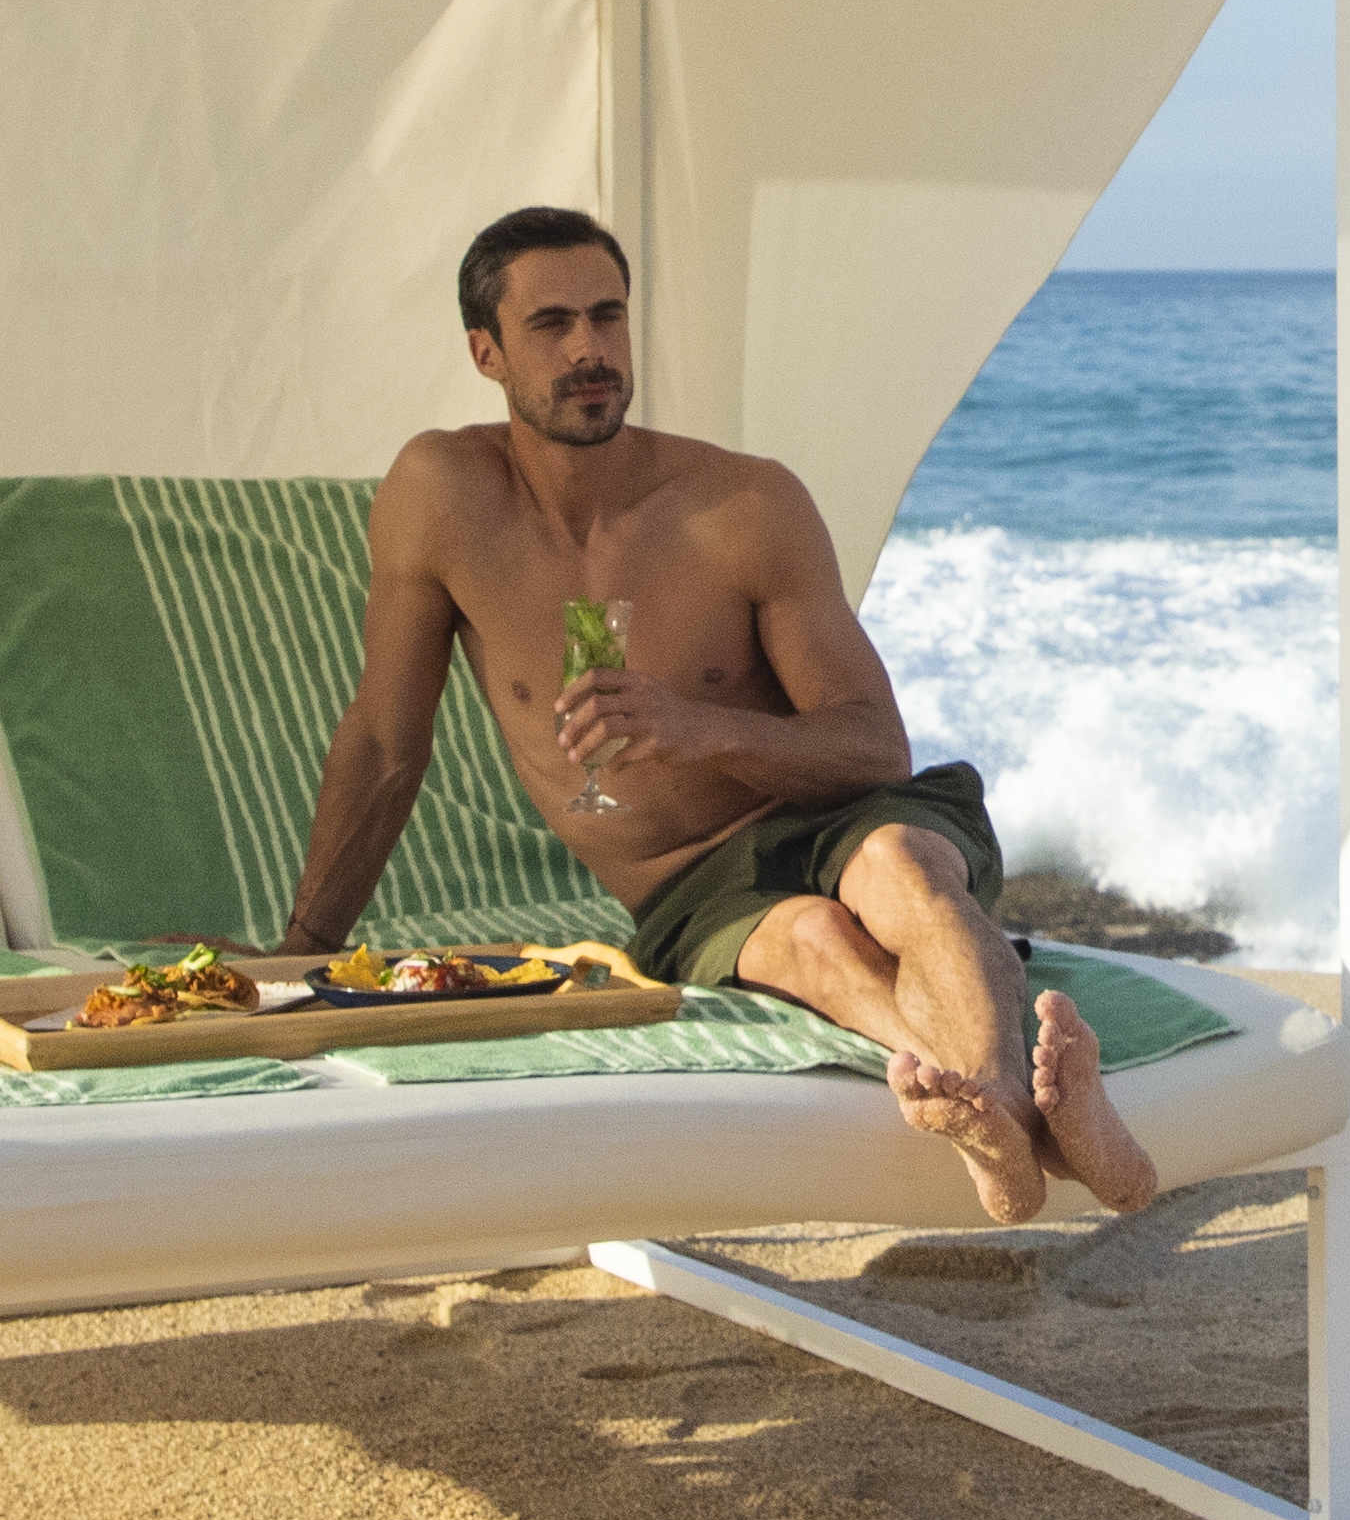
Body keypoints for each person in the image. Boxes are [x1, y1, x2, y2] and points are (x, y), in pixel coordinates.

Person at [278, 203, 1154, 1226]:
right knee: (818, 943)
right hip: (692, 886)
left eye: (608, 316)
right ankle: (1044, 1114)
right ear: (486, 351)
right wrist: (302, 947)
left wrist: (702, 729)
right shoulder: (442, 496)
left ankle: (1005, 1114)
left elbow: (874, 742)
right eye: (551, 325)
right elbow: (387, 739)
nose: (590, 348)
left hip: (842, 805)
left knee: (902, 873)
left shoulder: (742, 504)